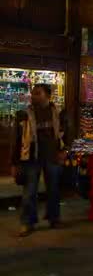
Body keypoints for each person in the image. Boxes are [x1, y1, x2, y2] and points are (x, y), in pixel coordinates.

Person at [10, 84, 66, 237]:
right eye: (33, 93)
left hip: (52, 155)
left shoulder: (58, 112)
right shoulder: (24, 114)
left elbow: (65, 133)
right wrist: (15, 162)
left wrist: (63, 151)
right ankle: (27, 222)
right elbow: (17, 139)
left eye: (37, 93)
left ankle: (54, 219)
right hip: (31, 157)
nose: (33, 96)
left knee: (54, 190)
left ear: (48, 96)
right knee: (29, 191)